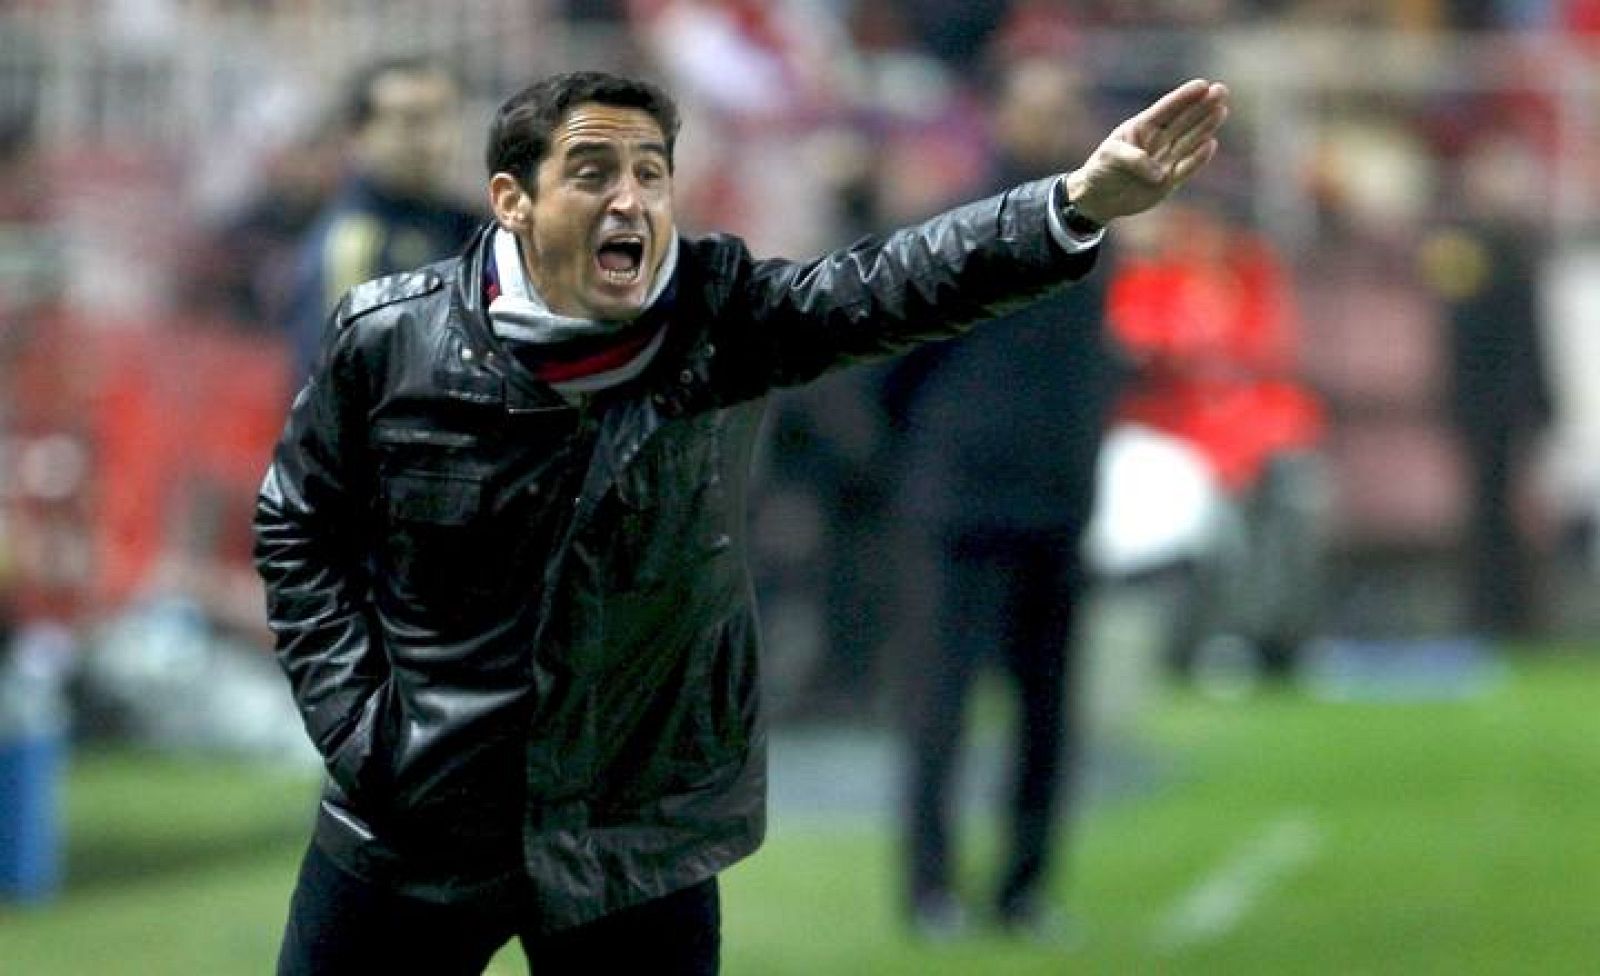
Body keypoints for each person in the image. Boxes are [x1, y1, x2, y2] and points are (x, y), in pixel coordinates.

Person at [254, 69, 1229, 974]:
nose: (629, 197)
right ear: (513, 199)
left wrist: (1069, 208)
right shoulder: (387, 335)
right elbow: (298, 524)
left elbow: (883, 283)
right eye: (592, 171)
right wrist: (359, 725)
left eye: (650, 172)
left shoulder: (712, 314)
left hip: (634, 833)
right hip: (418, 817)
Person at [886, 58, 1123, 940]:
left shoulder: (1100, 235)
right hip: (959, 507)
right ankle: (929, 889)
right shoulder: (958, 227)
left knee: (1047, 716)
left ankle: (1024, 890)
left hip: (1057, 507)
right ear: (999, 119)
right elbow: (892, 364)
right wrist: (915, 464)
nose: (1055, 128)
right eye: (1039, 110)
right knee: (939, 710)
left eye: (1067, 111)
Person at [282, 56, 481, 385]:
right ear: (358, 134)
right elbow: (341, 392)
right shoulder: (351, 247)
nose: (431, 139)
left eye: (442, 118)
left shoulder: (470, 226)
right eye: (410, 121)